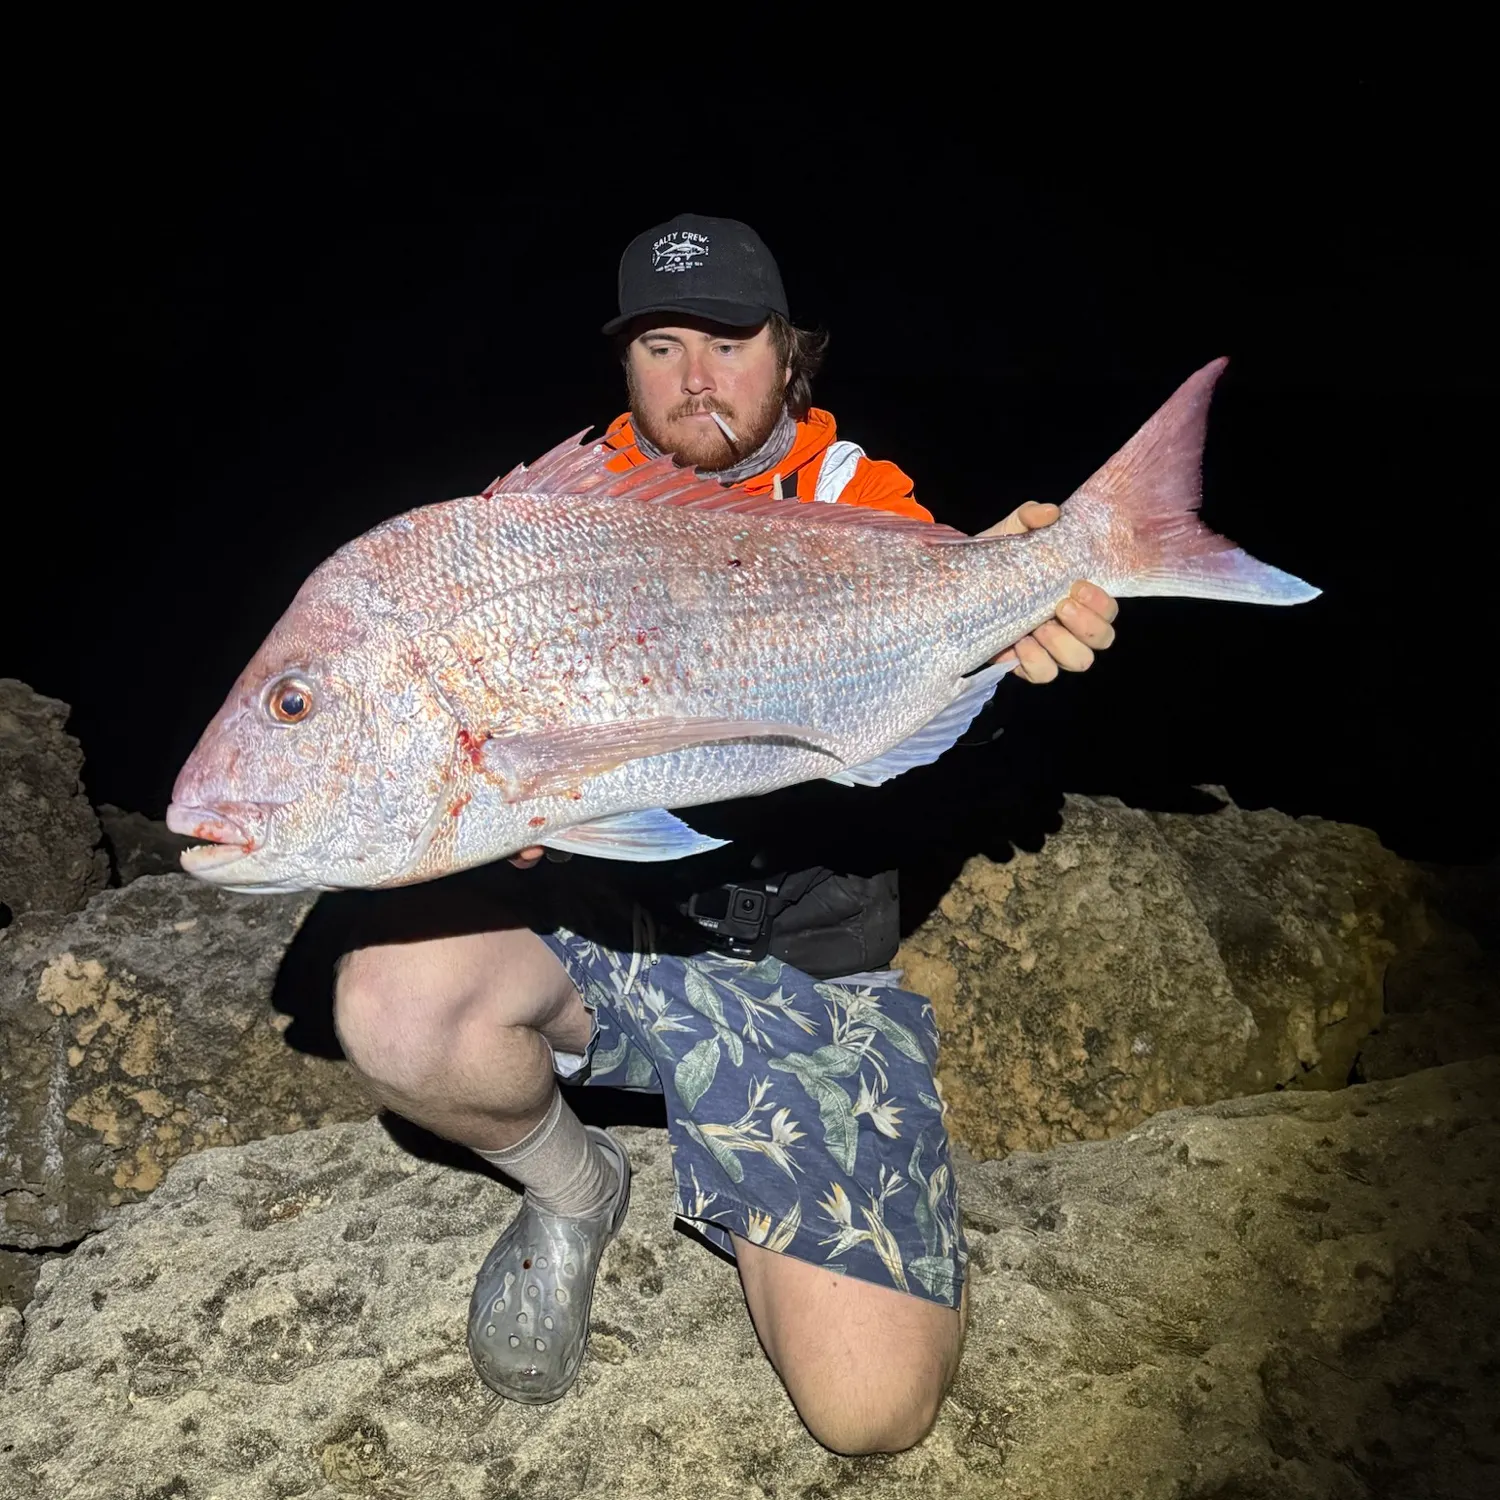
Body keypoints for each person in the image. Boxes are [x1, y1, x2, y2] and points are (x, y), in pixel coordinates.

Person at [332, 214, 1118, 1455]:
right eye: (662, 343)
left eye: (732, 340)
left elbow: (930, 761)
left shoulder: (866, 508)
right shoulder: (534, 521)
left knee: (871, 1412)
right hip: (601, 944)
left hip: (798, 982)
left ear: (788, 355)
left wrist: (1008, 654)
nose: (698, 378)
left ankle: (764, 1169)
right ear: (625, 363)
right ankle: (576, 1191)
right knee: (390, 1003)